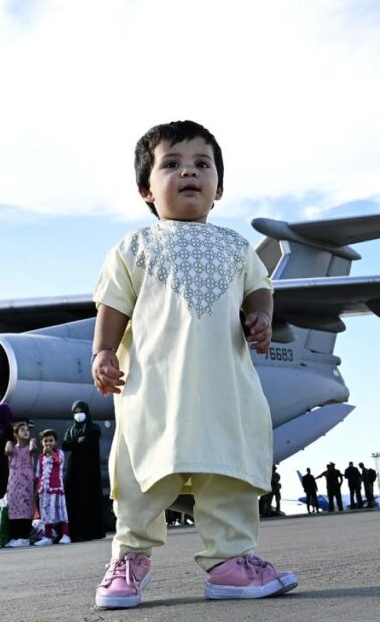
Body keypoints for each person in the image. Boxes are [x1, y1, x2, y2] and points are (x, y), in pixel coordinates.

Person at [90, 121, 297, 608]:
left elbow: (260, 289)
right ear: (146, 187)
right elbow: (112, 306)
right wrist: (102, 352)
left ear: (218, 187)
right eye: (172, 164)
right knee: (141, 480)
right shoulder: (133, 248)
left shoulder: (237, 246)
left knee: (228, 479)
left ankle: (230, 563)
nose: (189, 172)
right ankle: (129, 559)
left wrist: (262, 318)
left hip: (224, 393)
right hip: (152, 394)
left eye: (203, 164)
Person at [61, 400, 106, 541]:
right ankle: (75, 533)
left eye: (81, 412)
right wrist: (77, 441)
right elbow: (65, 444)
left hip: (89, 470)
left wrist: (78, 442)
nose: (78, 415)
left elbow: (89, 440)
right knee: (73, 498)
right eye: (75, 412)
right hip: (74, 469)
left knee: (89, 499)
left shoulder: (94, 428)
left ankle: (90, 532)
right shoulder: (71, 430)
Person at [3, 422, 37, 548]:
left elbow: (33, 449)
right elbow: (7, 451)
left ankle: (24, 537)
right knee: (14, 509)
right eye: (22, 430)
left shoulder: (30, 447)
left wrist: (32, 440)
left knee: (25, 509)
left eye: (27, 430)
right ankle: (16, 536)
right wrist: (9, 442)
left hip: (26, 483)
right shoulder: (12, 447)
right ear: (16, 434)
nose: (26, 432)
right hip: (13, 483)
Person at [34, 429, 70, 547]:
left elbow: (59, 461)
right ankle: (47, 536)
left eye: (51, 440)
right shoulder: (41, 457)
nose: (48, 443)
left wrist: (52, 453)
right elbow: (38, 473)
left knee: (61, 512)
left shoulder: (59, 453)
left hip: (56, 489)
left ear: (55, 442)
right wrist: (37, 488)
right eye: (45, 441)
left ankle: (66, 535)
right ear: (42, 442)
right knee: (46, 513)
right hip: (44, 491)